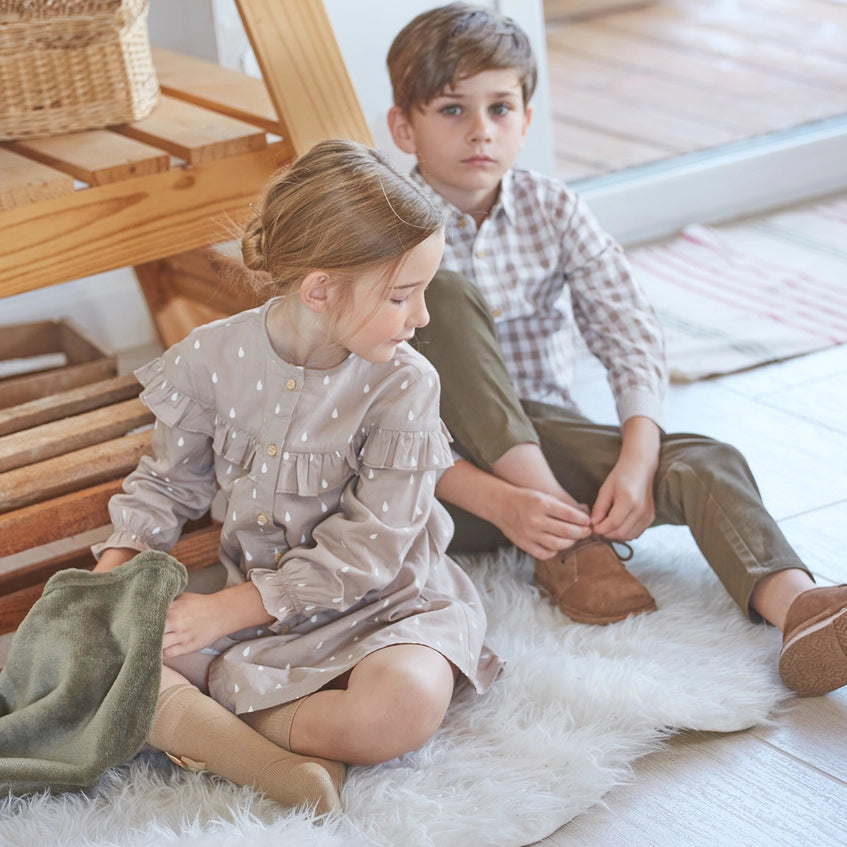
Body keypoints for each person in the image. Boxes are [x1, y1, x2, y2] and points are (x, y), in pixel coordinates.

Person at [384, 2, 847, 697]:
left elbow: (626, 326)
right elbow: (372, 410)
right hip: (435, 479)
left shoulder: (552, 207)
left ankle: (797, 605)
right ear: (403, 126)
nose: (480, 131)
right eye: (451, 109)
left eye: (500, 108)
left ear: (526, 120)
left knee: (702, 458)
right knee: (442, 296)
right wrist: (505, 502)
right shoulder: (385, 227)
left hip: (546, 445)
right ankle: (571, 541)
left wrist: (635, 459)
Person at [92, 138, 502, 814]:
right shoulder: (210, 356)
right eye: (403, 296)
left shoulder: (405, 382)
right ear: (319, 289)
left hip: (389, 605)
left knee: (398, 708)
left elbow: (371, 551)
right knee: (110, 646)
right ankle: (278, 767)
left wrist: (227, 609)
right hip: (261, 627)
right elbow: (168, 484)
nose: (422, 316)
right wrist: (112, 574)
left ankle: (219, 735)